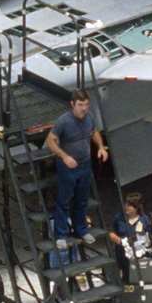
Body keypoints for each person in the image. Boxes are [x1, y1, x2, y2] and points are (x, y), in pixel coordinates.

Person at [46, 89, 109, 246]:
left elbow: (94, 132)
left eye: (86, 105)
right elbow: (50, 141)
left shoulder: (89, 117)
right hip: (68, 167)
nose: (84, 108)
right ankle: (61, 235)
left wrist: (101, 147)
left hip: (85, 164)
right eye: (80, 105)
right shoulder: (64, 121)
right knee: (64, 200)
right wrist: (65, 156)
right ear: (72, 104)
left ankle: (81, 230)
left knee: (82, 199)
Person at [108, 193, 152, 286]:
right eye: (125, 204)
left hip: (138, 257)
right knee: (121, 281)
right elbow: (111, 232)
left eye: (129, 206)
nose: (126, 207)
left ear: (136, 208)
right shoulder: (118, 218)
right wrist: (117, 239)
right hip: (121, 254)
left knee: (135, 280)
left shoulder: (145, 220)